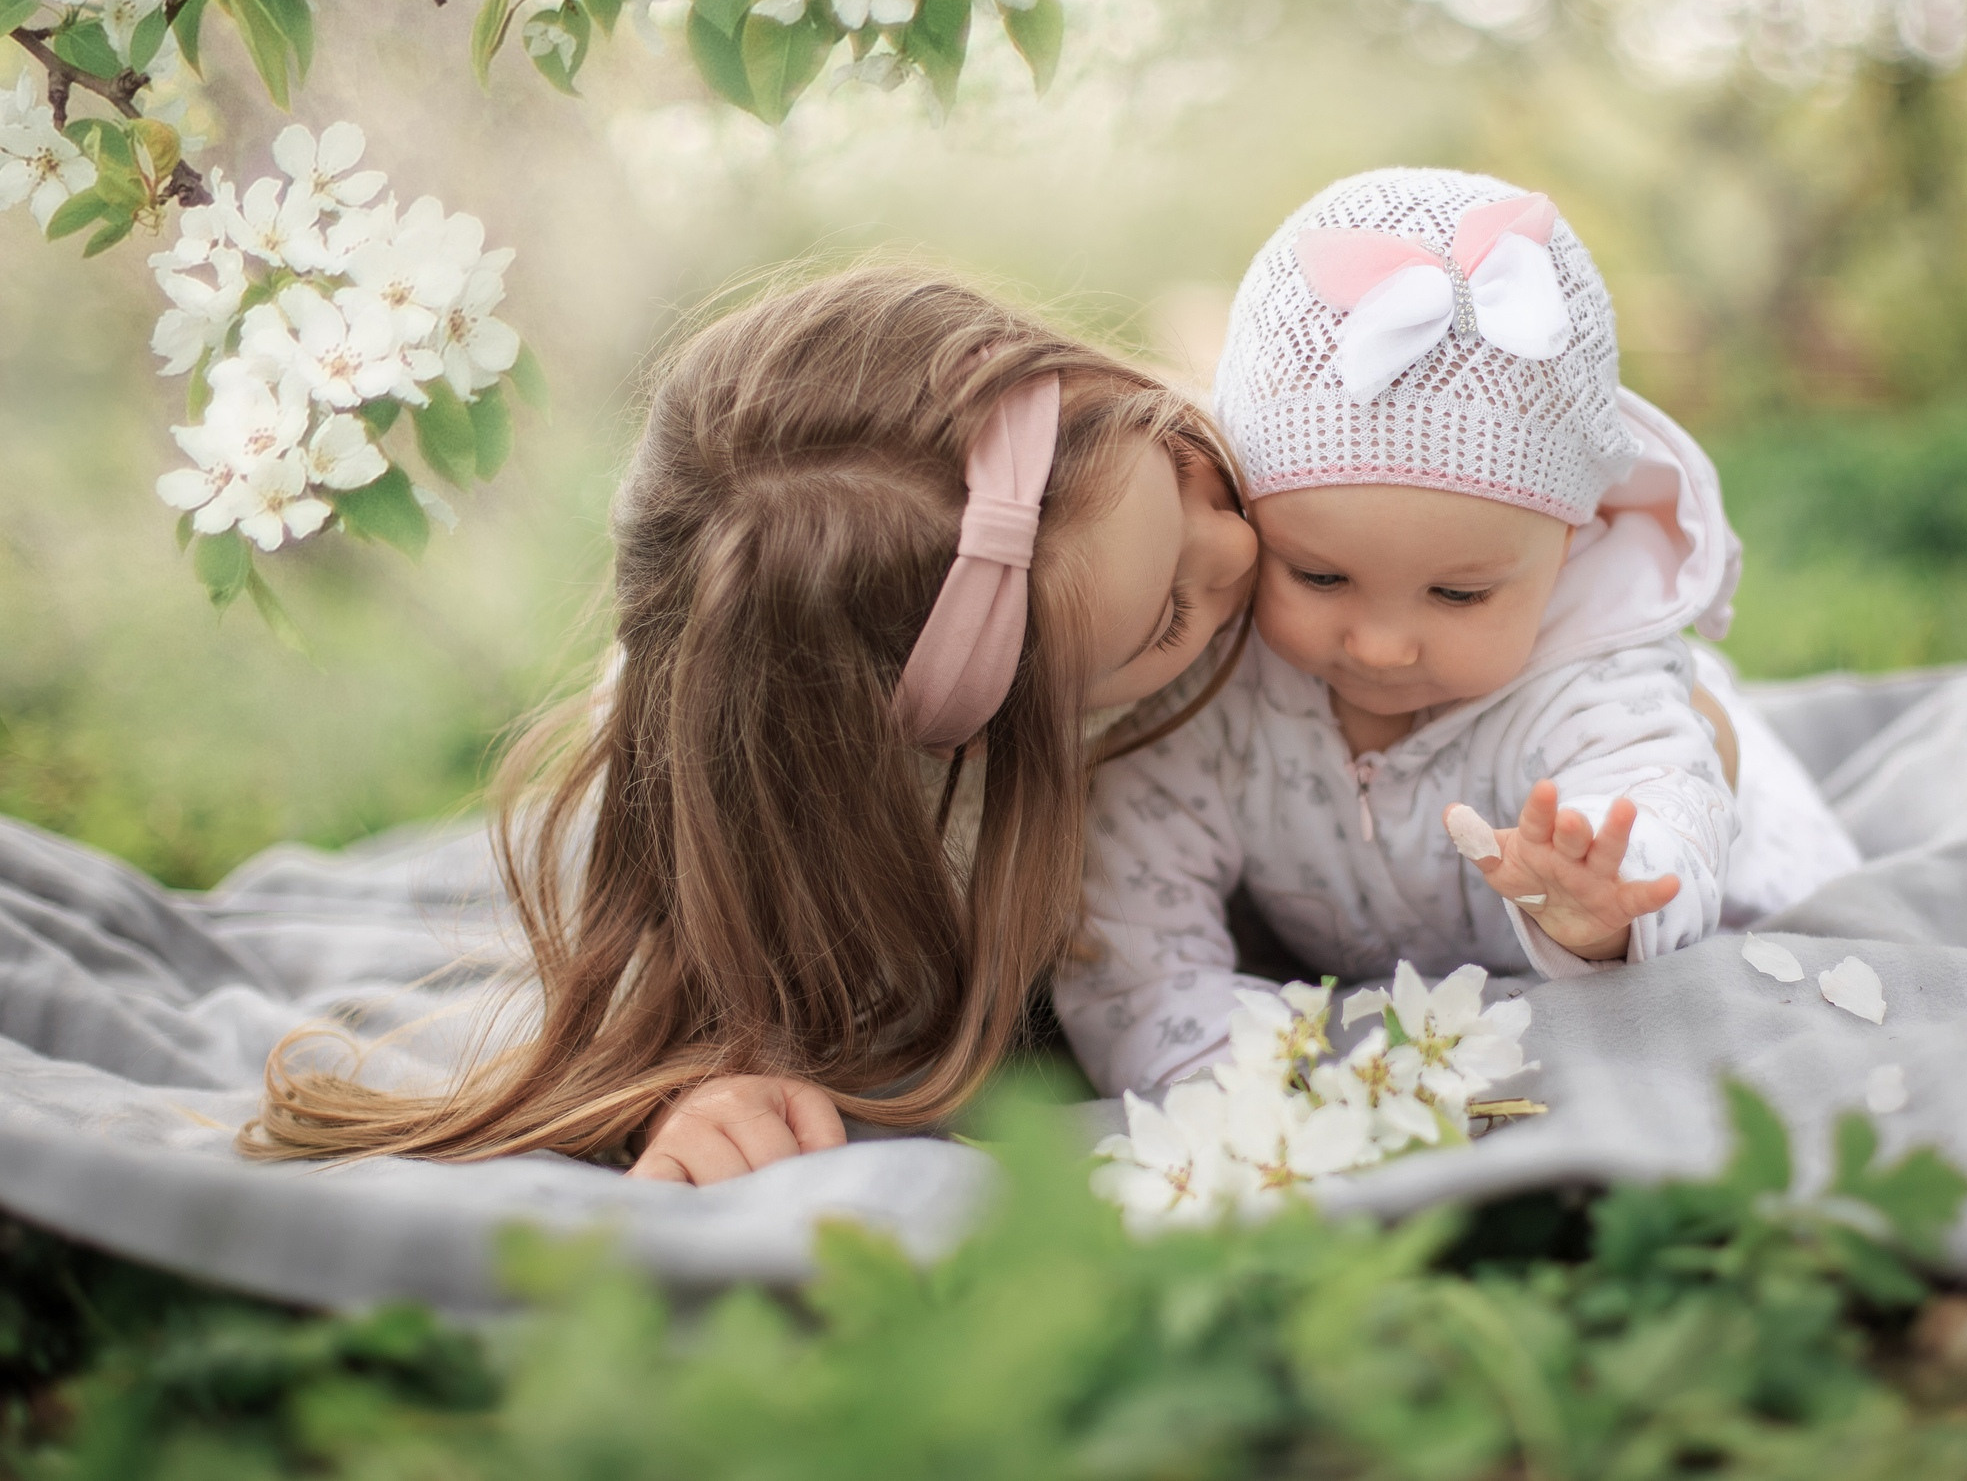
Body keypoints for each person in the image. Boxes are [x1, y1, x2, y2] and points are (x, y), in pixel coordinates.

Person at [243, 266, 1259, 1183]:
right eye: (1168, 614)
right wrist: (706, 1097)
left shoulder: (1248, 488)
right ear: (979, 736)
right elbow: (690, 1008)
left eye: (1179, 467)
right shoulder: (818, 849)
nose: (1242, 548)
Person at [1055, 168, 1859, 1100]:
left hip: (1726, 889)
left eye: (1459, 593)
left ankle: (1730, 730)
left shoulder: (1595, 678)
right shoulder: (1223, 690)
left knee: (1726, 842)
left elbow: (1652, 788)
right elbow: (1130, 937)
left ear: (1571, 542)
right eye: (1319, 575)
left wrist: (1604, 898)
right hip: (1387, 969)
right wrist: (1225, 1075)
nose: (1382, 644)